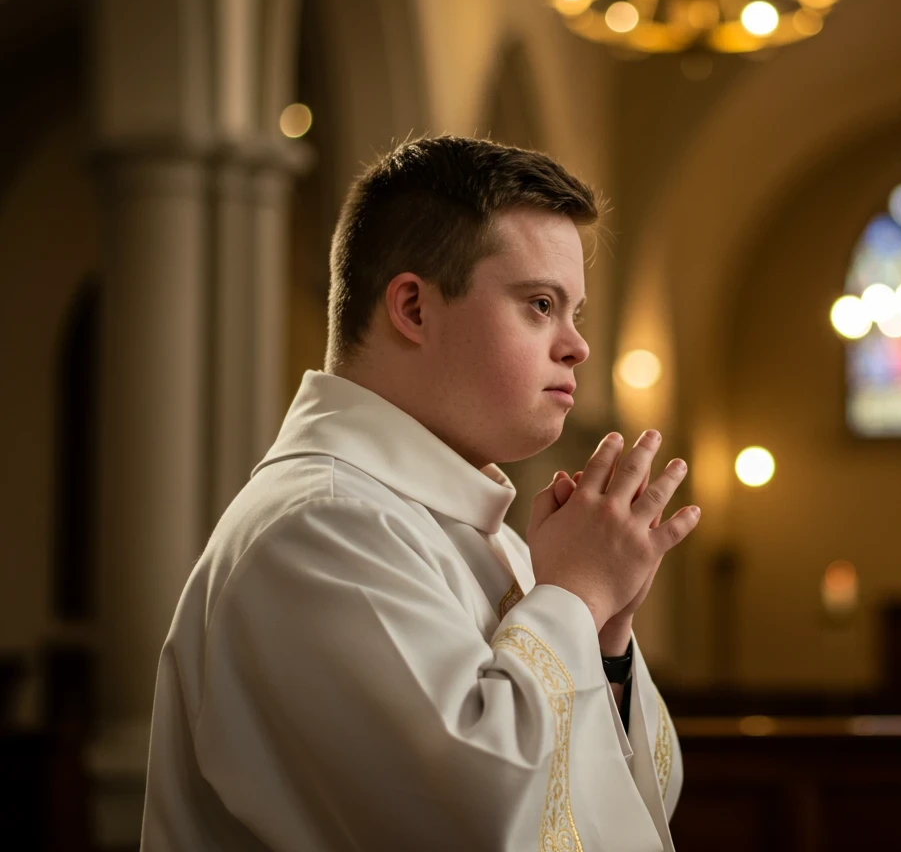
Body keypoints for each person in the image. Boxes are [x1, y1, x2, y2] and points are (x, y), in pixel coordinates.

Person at [139, 135, 700, 851]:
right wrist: (575, 598)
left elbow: (635, 801)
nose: (576, 346)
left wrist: (603, 635)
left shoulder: (483, 531)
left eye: (575, 313)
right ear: (413, 307)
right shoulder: (322, 528)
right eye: (539, 304)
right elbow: (469, 817)